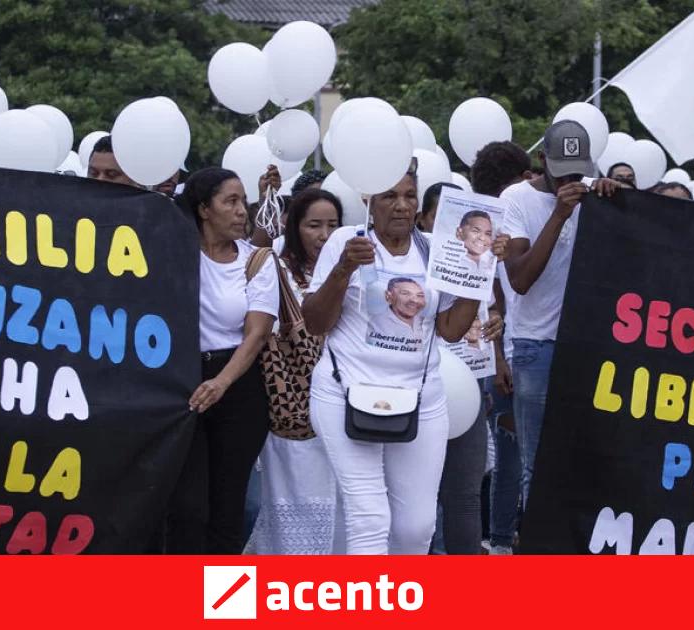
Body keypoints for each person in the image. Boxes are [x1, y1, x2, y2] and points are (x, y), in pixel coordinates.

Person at [302, 161, 489, 554]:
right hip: (345, 394)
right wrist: (344, 269)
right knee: (369, 517)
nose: (402, 205)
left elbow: (452, 330)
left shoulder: (437, 250)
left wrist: (479, 273)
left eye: (409, 195)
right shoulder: (344, 242)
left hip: (421, 399)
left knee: (416, 529)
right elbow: (316, 322)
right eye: (390, 196)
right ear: (370, 201)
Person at [501, 120, 619, 512]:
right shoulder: (516, 199)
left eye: (577, 172)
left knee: (585, 460)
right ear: (541, 161)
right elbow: (519, 278)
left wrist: (617, 203)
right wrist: (559, 216)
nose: (570, 180)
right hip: (535, 345)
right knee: (537, 463)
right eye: (561, 171)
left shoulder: (594, 199)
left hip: (586, 345)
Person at [165, 167, 278, 554]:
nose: (241, 211)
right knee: (186, 506)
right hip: (181, 382)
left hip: (238, 387)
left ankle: (225, 608)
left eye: (241, 201)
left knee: (230, 508)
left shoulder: (258, 261)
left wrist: (221, 383)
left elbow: (257, 334)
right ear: (203, 209)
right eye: (229, 201)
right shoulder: (172, 254)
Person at [247, 188, 345, 554]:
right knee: (293, 498)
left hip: (342, 401)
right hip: (292, 403)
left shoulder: (350, 269)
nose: (323, 235)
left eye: (332, 225)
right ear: (294, 228)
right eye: (314, 225)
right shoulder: (279, 269)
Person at [470, 140, 533, 555]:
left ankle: (501, 537)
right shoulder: (492, 229)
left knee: (511, 455)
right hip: (503, 355)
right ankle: (499, 539)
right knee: (510, 455)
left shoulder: (500, 221)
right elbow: (493, 295)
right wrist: (498, 360)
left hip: (504, 354)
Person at [455, 210, 495, 275]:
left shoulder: (490, 264)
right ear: (459, 233)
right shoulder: (446, 260)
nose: (482, 238)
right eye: (476, 231)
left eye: (487, 234)